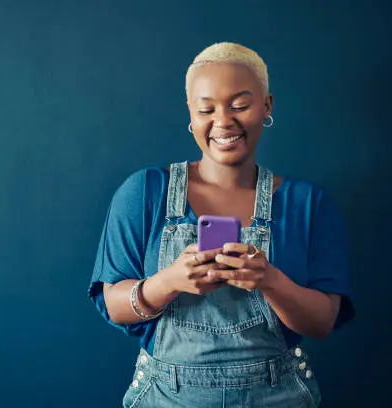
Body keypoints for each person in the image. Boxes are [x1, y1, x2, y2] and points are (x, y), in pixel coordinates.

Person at [87, 42, 354, 407]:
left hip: (279, 397)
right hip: (166, 397)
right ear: (191, 116)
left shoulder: (308, 203)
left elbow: (322, 323)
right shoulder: (145, 192)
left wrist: (270, 280)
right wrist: (170, 281)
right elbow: (112, 304)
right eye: (206, 109)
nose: (223, 121)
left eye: (240, 105)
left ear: (267, 107)